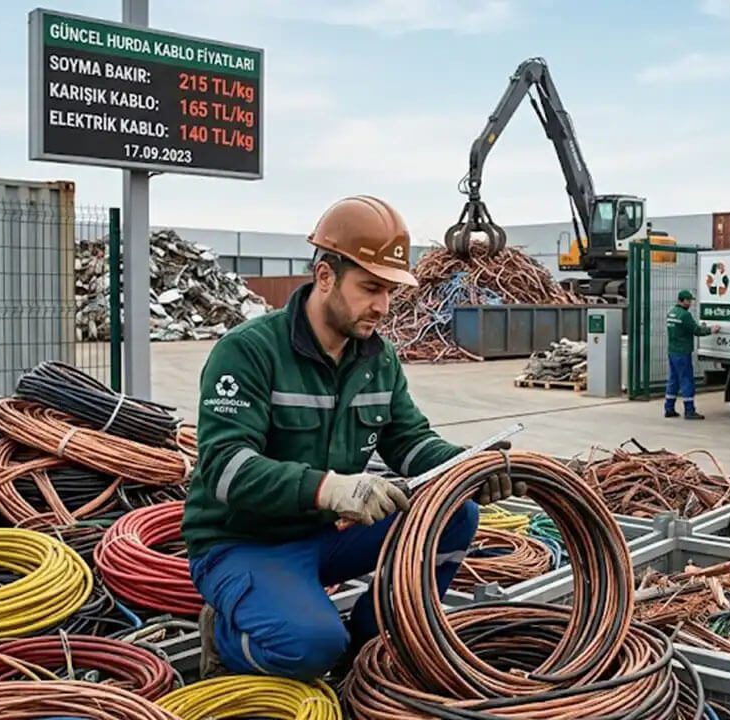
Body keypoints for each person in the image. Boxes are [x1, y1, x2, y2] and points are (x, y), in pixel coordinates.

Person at [181, 195, 526, 682]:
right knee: (311, 647)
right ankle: (225, 637)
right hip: (246, 543)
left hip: (327, 536)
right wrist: (329, 488)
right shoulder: (249, 352)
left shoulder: (376, 359)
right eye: (370, 288)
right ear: (325, 276)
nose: (383, 307)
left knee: (456, 512)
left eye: (389, 291)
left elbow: (409, 441)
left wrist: (466, 465)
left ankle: (376, 635)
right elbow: (224, 469)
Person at [664, 289, 718, 419]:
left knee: (673, 380)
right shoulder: (684, 315)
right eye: (689, 301)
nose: (690, 304)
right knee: (686, 380)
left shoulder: (671, 313)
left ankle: (669, 408)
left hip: (672, 351)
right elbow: (696, 330)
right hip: (683, 352)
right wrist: (711, 330)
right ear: (683, 301)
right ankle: (689, 410)